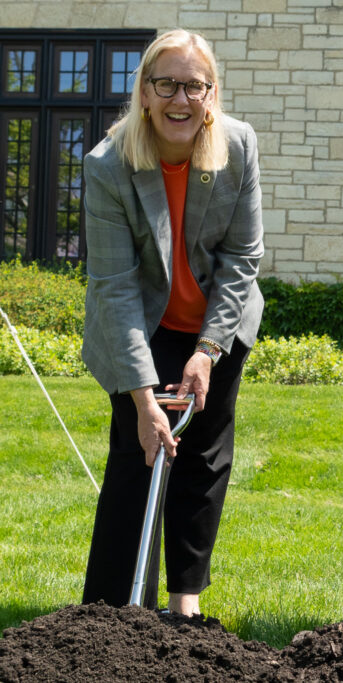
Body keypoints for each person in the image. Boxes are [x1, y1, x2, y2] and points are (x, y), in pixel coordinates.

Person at [80, 29, 264, 616]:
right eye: (167, 84)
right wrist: (142, 398)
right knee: (139, 455)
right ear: (144, 92)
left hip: (217, 321)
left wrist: (208, 351)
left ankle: (185, 605)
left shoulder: (238, 146)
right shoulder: (109, 165)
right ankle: (111, 614)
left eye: (194, 85)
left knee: (204, 460)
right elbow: (113, 285)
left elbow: (243, 258)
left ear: (211, 94)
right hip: (142, 325)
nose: (180, 100)